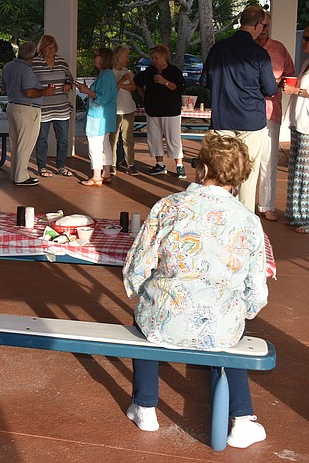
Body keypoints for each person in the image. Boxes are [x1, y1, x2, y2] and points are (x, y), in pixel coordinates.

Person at [122, 132, 269, 449]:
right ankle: (242, 421)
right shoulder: (248, 220)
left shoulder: (169, 207)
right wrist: (242, 311)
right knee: (232, 324)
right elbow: (256, 291)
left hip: (163, 321)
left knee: (146, 313)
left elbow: (136, 265)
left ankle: (145, 406)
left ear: (202, 170)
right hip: (220, 328)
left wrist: (138, 291)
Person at [201, 5, 278, 211]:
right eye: (265, 26)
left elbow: (206, 82)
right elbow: (270, 88)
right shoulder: (259, 54)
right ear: (258, 25)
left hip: (222, 118)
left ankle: (219, 214)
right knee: (248, 172)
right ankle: (244, 220)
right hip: (251, 120)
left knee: (219, 171)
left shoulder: (218, 49)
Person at [254, 11, 294, 222]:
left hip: (271, 110)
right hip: (246, 111)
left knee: (268, 160)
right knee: (245, 159)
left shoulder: (279, 48)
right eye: (261, 24)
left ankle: (266, 205)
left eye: (267, 25)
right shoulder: (245, 47)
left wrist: (281, 84)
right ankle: (241, 202)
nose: (264, 28)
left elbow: (290, 76)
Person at [134, 44, 186, 178]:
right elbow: (137, 82)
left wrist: (165, 82)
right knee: (154, 138)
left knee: (173, 138)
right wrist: (145, 96)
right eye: (152, 58)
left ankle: (179, 165)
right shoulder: (149, 71)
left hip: (170, 110)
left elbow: (179, 88)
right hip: (153, 110)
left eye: (156, 58)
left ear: (164, 57)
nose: (154, 60)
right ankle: (159, 164)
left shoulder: (173, 71)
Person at [2, 41, 44, 186]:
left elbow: (4, 88)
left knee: (16, 143)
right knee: (25, 143)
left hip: (12, 106)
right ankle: (21, 176)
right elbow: (29, 92)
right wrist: (45, 91)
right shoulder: (26, 70)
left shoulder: (8, 66)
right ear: (32, 56)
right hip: (27, 109)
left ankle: (16, 174)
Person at [32, 35, 74, 177]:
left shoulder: (61, 61)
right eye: (48, 48)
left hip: (61, 107)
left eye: (53, 47)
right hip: (43, 108)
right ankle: (42, 167)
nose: (52, 50)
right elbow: (28, 83)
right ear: (42, 49)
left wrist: (68, 84)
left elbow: (70, 78)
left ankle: (61, 166)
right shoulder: (35, 63)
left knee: (63, 139)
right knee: (42, 139)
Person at [76, 48, 117, 186]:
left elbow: (101, 98)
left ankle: (96, 176)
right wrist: (88, 90)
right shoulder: (107, 74)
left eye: (97, 56)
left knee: (95, 145)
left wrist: (87, 91)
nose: (94, 58)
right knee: (105, 144)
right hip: (105, 116)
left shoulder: (105, 75)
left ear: (103, 58)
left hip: (98, 116)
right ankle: (106, 172)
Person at [283, 26, 309, 232]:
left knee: (305, 174)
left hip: (307, 126)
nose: (303, 41)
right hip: (298, 121)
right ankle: (295, 213)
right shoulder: (307, 63)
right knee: (295, 171)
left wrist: (296, 90)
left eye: (307, 38)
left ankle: (306, 218)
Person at [109, 45, 139, 175]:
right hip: (115, 109)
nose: (128, 59)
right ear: (119, 56)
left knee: (128, 138)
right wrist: (122, 82)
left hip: (128, 108)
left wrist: (122, 84)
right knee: (113, 138)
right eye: (126, 56)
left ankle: (130, 163)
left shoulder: (126, 70)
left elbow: (133, 87)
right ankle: (111, 163)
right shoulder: (110, 72)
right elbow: (111, 90)